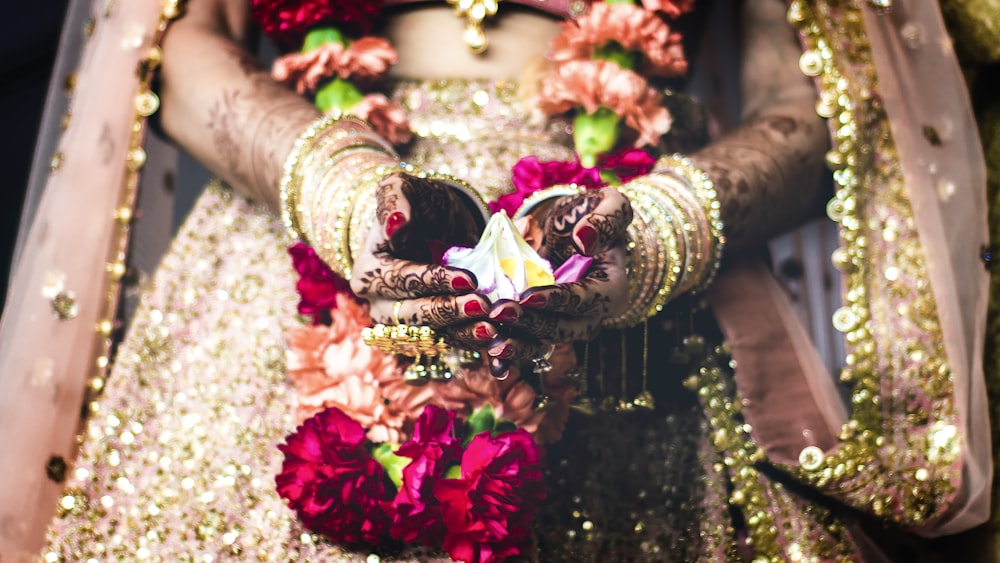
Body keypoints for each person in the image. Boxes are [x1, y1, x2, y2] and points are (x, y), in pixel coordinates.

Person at [0, 0, 991, 561]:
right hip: (286, 256)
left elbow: (818, 101)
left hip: (631, 311)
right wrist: (349, 197)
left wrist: (647, 236)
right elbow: (174, 50)